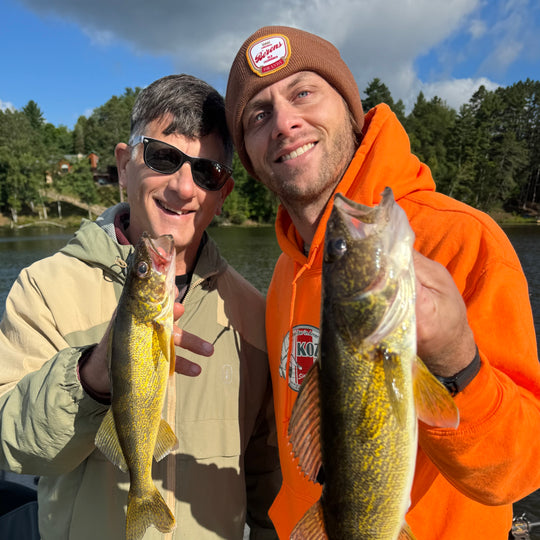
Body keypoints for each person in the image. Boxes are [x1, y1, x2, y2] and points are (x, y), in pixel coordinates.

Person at [225, 25, 540, 540]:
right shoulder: (285, 270)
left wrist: (458, 360)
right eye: (258, 115)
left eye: (303, 92)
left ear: (351, 110)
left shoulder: (462, 238)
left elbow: (522, 469)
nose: (284, 122)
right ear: (250, 156)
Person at [0, 74, 281, 539]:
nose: (184, 188)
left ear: (223, 192)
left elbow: (267, 480)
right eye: (164, 157)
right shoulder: (44, 288)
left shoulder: (253, 313)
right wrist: (91, 376)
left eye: (207, 172)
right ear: (124, 163)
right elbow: (12, 447)